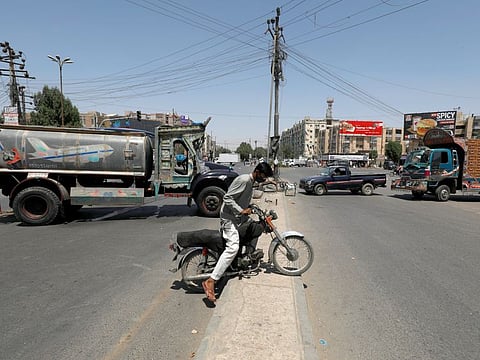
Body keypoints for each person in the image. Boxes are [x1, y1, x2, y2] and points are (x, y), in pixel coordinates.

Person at [202, 162, 274, 302]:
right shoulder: (244, 180)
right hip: (229, 218)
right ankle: (211, 280)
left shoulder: (251, 182)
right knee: (233, 247)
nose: (264, 179)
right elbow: (227, 198)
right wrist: (241, 210)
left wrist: (250, 207)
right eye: (263, 176)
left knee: (253, 227)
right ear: (257, 172)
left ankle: (243, 259)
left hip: (237, 218)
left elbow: (241, 198)